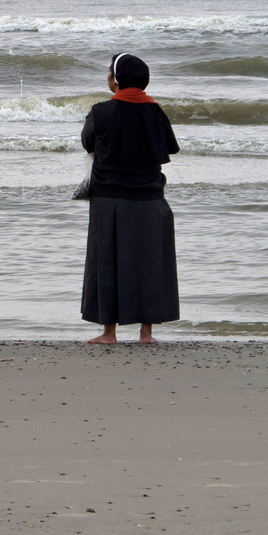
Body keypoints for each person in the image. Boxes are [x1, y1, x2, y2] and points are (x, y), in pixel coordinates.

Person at [80, 52, 180, 343]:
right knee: (149, 263)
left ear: (117, 80)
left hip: (109, 198)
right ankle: (146, 334)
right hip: (151, 199)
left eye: (110, 73)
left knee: (106, 262)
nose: (108, 78)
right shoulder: (156, 112)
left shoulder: (101, 111)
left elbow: (87, 141)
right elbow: (170, 148)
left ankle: (108, 333)